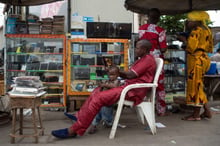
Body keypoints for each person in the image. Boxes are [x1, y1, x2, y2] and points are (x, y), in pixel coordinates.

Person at [51, 39, 156, 139]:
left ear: (145, 50)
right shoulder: (143, 59)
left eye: (137, 48)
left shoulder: (147, 60)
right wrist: (114, 70)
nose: (135, 50)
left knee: (98, 98)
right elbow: (129, 75)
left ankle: (74, 130)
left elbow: (130, 75)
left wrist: (116, 71)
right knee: (97, 90)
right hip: (127, 87)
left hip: (132, 91)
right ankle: (80, 117)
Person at [177, 11, 213, 121]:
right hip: (204, 59)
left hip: (196, 60)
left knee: (195, 87)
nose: (188, 22)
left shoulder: (196, 30)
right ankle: (207, 111)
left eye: (190, 20)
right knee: (199, 85)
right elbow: (210, 46)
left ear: (196, 21)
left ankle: (196, 114)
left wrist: (183, 40)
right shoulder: (207, 30)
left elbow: (190, 48)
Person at [138, 8, 168, 116]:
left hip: (144, 61)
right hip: (156, 61)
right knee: (159, 85)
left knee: (144, 84)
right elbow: (163, 49)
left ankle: (144, 109)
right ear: (158, 18)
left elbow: (140, 44)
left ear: (148, 16)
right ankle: (161, 110)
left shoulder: (141, 29)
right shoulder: (160, 31)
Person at [88, 66, 120, 134]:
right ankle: (94, 125)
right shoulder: (107, 81)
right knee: (97, 111)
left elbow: (114, 86)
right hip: (102, 100)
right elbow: (102, 88)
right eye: (110, 75)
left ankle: (108, 122)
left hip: (109, 101)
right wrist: (101, 87)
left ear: (117, 75)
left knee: (107, 113)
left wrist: (104, 85)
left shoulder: (117, 81)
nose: (111, 76)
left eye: (113, 75)